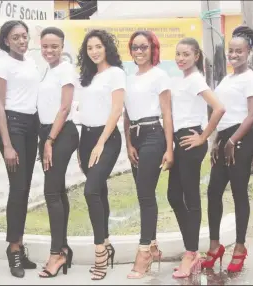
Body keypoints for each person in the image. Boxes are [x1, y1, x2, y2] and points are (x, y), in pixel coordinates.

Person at [203, 26, 253, 273]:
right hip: (224, 138)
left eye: (239, 51)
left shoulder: (251, 79)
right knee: (213, 191)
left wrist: (232, 140)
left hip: (242, 138)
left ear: (248, 52)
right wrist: (217, 139)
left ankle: (239, 247)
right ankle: (215, 245)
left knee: (239, 193)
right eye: (231, 51)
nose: (234, 55)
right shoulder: (226, 79)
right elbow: (221, 112)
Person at [169, 37, 225, 278]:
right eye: (178, 54)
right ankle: (190, 250)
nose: (181, 58)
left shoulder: (195, 80)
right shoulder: (183, 80)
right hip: (180, 140)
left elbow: (219, 108)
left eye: (186, 54)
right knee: (173, 195)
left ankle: (191, 253)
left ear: (196, 56)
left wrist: (203, 137)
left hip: (190, 139)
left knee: (190, 196)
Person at [123, 31, 174, 279]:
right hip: (135, 135)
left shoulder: (160, 75)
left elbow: (167, 113)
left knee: (145, 193)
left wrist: (169, 148)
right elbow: (126, 113)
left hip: (154, 134)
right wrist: (128, 142)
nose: (139, 51)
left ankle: (143, 252)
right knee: (143, 194)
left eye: (144, 47)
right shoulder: (129, 78)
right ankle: (153, 246)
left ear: (153, 49)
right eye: (135, 47)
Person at [77, 29, 125, 281]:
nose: (94, 51)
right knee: (100, 191)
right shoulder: (86, 77)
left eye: (98, 46)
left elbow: (116, 111)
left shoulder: (115, 74)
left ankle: (99, 253)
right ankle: (107, 242)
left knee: (90, 190)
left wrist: (100, 144)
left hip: (106, 139)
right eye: (89, 48)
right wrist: (83, 146)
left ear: (106, 47)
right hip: (85, 139)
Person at [0, 20, 39, 278]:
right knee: (18, 188)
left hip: (31, 125)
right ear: (6, 40)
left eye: (24, 36)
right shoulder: (3, 64)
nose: (22, 41)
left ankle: (19, 243)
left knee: (25, 189)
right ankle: (13, 249)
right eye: (16, 37)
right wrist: (7, 144)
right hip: (13, 125)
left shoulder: (30, 62)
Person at [36, 27, 79, 279]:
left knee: (51, 191)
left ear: (62, 47)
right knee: (58, 191)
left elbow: (64, 108)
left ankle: (56, 254)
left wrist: (49, 140)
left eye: (54, 46)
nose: (49, 50)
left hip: (61, 134)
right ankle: (63, 248)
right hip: (49, 133)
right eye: (45, 46)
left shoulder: (65, 70)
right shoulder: (48, 71)